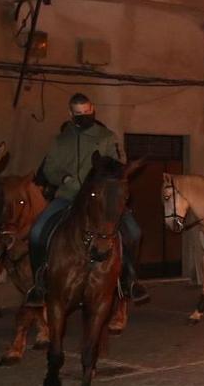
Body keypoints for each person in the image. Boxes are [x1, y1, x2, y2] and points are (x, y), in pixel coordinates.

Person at [27, 93, 146, 305]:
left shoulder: (107, 137)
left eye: (86, 111)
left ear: (93, 110)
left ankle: (130, 280)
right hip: (68, 196)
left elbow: (118, 165)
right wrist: (63, 177)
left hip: (101, 198)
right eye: (78, 113)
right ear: (70, 113)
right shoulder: (60, 140)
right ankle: (39, 282)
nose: (83, 115)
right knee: (37, 232)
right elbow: (50, 168)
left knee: (134, 232)